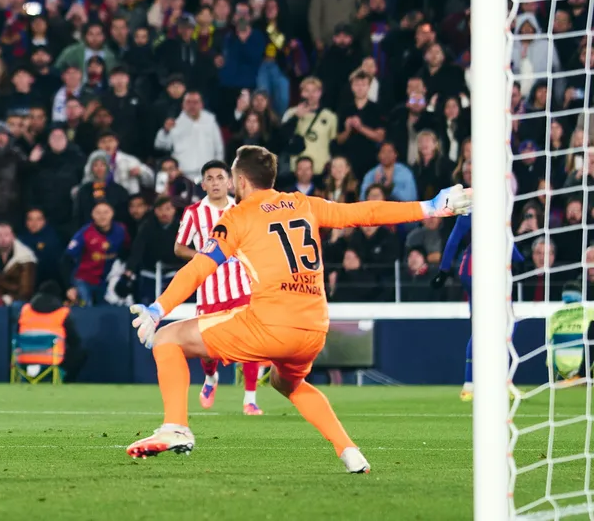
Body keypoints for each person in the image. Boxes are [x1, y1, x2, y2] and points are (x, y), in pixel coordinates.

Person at [126, 145, 471, 472]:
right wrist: (430, 206)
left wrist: (159, 308)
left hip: (269, 324)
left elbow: (200, 266)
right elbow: (363, 213)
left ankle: (176, 427)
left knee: (168, 338)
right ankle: (349, 451)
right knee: (286, 382)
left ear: (241, 181)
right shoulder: (303, 203)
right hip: (314, 329)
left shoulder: (237, 216)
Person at [173, 160, 263, 415]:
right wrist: (202, 258)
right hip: (209, 291)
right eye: (209, 178)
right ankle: (211, 378)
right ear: (203, 184)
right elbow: (179, 247)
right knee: (208, 349)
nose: (215, 182)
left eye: (220, 177)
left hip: (241, 288)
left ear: (230, 182)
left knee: (250, 343)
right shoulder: (194, 213)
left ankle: (250, 399)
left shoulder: (244, 209)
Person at [434, 212, 524, 401]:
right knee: (503, 324)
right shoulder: (486, 209)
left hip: (476, 267)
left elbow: (453, 241)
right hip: (483, 267)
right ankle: (493, 383)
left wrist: (443, 270)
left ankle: (472, 384)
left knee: (491, 326)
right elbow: (505, 238)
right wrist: (519, 260)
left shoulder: (474, 210)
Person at [18, 281, 86, 382]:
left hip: (24, 358)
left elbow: (17, 334)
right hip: (52, 359)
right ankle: (66, 383)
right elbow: (74, 341)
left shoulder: (25, 310)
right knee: (80, 352)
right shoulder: (63, 312)